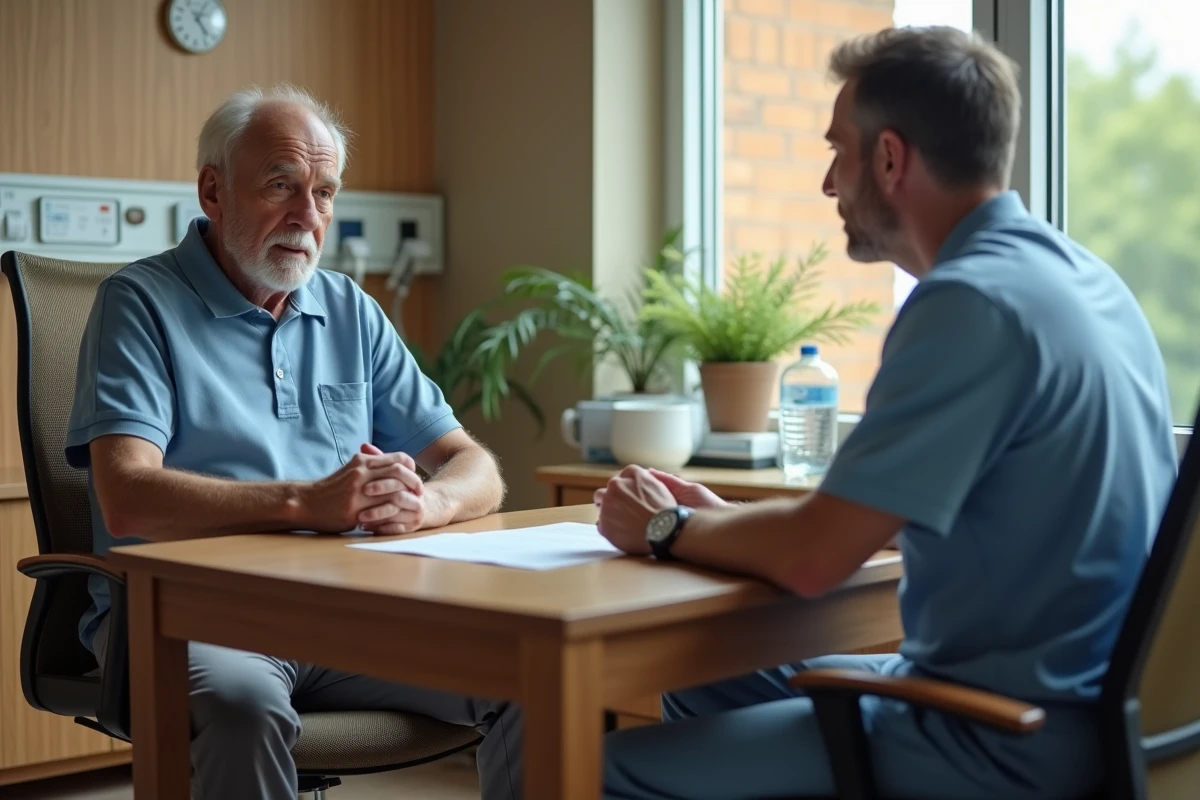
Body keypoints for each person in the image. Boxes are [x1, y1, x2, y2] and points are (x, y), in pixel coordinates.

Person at [596, 26, 1178, 800]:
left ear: (891, 159)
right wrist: (726, 519)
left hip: (1001, 740)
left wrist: (667, 528)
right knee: (712, 680)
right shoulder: (1084, 280)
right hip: (1102, 719)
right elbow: (909, 511)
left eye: (839, 151)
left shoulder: (967, 302)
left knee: (592, 770)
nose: (830, 184)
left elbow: (813, 561)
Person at [65, 84, 521, 800]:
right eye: (281, 186)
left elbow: (476, 467)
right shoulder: (140, 304)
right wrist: (310, 500)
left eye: (325, 192)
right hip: (195, 616)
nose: (308, 217)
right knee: (244, 709)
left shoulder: (347, 310)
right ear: (212, 192)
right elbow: (126, 497)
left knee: (526, 672)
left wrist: (424, 506)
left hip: (342, 614)